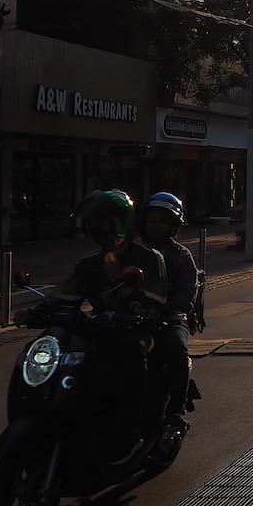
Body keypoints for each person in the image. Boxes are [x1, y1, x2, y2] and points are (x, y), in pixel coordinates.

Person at [58, 189, 168, 463]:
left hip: (136, 330)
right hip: (99, 330)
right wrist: (35, 312)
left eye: (103, 221)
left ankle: (130, 435)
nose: (97, 228)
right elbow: (65, 300)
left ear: (121, 222)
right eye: (93, 222)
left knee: (132, 353)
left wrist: (119, 282)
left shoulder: (148, 258)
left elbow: (153, 309)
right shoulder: (88, 263)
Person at [137, 192, 199, 432]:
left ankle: (176, 408)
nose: (156, 226)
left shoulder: (181, 255)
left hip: (170, 319)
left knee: (176, 349)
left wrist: (168, 307)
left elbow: (186, 292)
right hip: (133, 317)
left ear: (173, 225)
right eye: (152, 220)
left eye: (162, 221)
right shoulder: (132, 252)